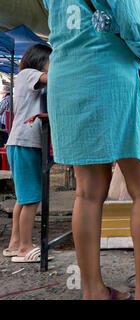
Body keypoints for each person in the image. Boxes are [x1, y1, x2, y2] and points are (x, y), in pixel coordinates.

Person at [43, 0, 140, 300]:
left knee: (87, 193)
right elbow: (136, 22)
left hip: (66, 78)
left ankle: (93, 292)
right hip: (112, 76)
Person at [2, 44, 52, 263]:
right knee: (31, 198)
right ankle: (25, 247)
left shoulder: (26, 77)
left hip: (22, 143)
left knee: (23, 198)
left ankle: (14, 244)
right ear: (41, 61)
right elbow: (53, 79)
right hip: (25, 143)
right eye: (51, 62)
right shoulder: (28, 74)